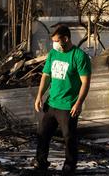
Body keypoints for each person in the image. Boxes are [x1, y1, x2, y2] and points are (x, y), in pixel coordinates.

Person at [34, 25, 91, 175]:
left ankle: (69, 166)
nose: (54, 44)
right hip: (51, 103)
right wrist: (39, 95)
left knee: (69, 137)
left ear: (65, 39)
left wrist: (78, 103)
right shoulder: (53, 53)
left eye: (56, 41)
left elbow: (85, 82)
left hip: (68, 106)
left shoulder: (79, 56)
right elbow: (46, 76)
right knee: (42, 134)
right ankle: (41, 163)